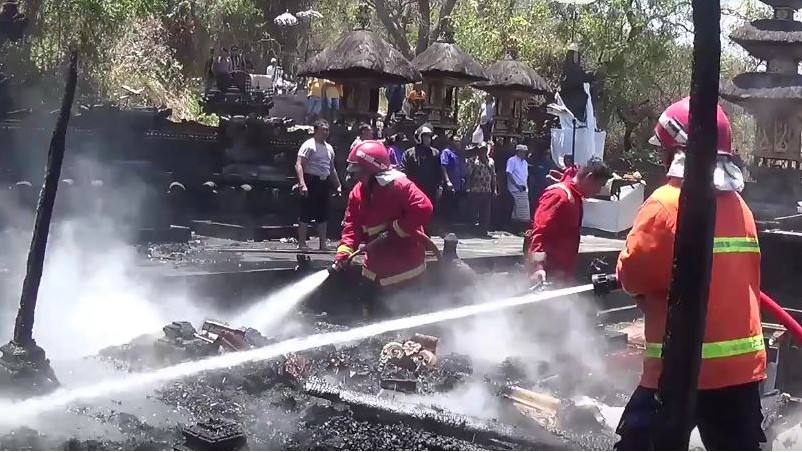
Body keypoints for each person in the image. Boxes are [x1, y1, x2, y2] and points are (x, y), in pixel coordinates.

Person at [615, 97, 765, 450]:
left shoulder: (665, 203)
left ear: (674, 151)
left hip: (679, 367)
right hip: (740, 371)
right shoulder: (741, 208)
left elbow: (633, 275)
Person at [332, 140, 434, 318]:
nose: (355, 178)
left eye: (359, 173)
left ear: (373, 171)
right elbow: (352, 226)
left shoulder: (400, 186)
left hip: (405, 271)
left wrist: (397, 229)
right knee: (372, 319)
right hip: (373, 269)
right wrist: (345, 251)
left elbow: (424, 207)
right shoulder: (357, 193)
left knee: (405, 322)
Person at [526, 158, 611, 284]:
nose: (598, 191)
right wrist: (538, 267)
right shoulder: (559, 195)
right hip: (546, 275)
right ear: (589, 177)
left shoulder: (575, 197)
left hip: (562, 274)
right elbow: (540, 232)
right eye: (599, 185)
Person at [295, 119, 342, 250]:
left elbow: (331, 168)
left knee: (323, 214)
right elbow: (299, 165)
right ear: (316, 131)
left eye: (327, 130)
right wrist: (302, 183)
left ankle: (322, 244)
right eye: (323, 130)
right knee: (306, 212)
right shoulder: (308, 145)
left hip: (324, 181)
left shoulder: (329, 148)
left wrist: (337, 184)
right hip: (311, 180)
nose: (326, 133)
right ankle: (302, 243)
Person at [403, 125, 442, 211]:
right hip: (414, 188)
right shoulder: (409, 153)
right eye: (426, 137)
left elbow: (439, 171)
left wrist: (439, 186)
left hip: (431, 189)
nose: (429, 139)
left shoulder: (435, 153)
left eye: (429, 137)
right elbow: (404, 170)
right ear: (419, 137)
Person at [465, 142, 496, 237]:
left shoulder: (490, 161)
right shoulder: (472, 161)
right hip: (475, 190)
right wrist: (468, 188)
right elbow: (469, 175)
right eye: (481, 149)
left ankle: (483, 231)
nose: (483, 151)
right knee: (474, 212)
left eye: (484, 149)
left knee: (485, 212)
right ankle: (472, 231)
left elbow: (493, 176)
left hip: (487, 190)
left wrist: (494, 190)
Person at [440, 135, 466, 222]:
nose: (458, 142)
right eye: (456, 141)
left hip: (458, 184)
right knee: (448, 205)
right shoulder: (446, 152)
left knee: (455, 205)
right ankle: (445, 225)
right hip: (450, 184)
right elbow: (444, 166)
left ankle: (453, 225)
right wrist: (447, 181)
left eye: (459, 141)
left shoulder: (458, 153)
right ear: (451, 142)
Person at [506, 144, 531, 228]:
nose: (524, 154)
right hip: (515, 189)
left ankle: (520, 228)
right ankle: (515, 228)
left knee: (524, 212)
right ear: (518, 152)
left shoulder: (525, 163)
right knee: (517, 210)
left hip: (524, 188)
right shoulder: (512, 160)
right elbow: (509, 173)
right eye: (522, 152)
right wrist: (516, 185)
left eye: (525, 152)